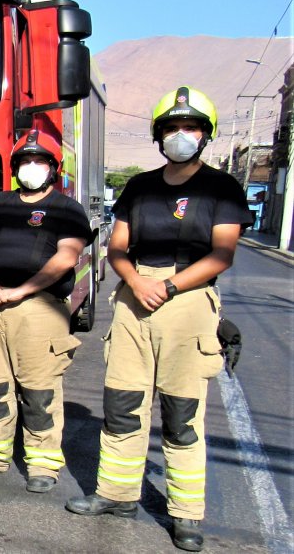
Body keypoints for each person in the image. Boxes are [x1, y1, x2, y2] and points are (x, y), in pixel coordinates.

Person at [67, 87, 251, 552]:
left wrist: (168, 286)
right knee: (123, 405)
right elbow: (117, 247)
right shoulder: (140, 187)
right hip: (134, 297)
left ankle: (186, 515)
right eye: (171, 128)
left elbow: (222, 253)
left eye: (189, 128)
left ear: (205, 135)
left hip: (187, 298)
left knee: (181, 414)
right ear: (159, 135)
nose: (180, 135)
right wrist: (136, 282)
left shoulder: (221, 188)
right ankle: (116, 494)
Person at [0, 129, 91, 493]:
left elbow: (67, 256)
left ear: (53, 168)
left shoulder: (67, 209)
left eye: (40, 161)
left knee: (39, 389)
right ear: (16, 168)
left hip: (40, 308)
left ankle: (43, 463)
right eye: (26, 161)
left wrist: (23, 289)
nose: (32, 167)